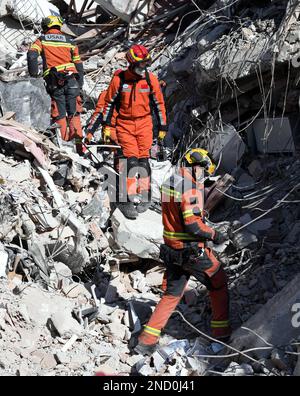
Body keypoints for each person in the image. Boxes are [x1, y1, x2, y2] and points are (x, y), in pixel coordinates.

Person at [135, 148, 231, 355]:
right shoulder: (190, 187)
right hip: (191, 251)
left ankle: (146, 341)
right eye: (204, 172)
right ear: (197, 166)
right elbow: (193, 226)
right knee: (219, 282)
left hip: (171, 248)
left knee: (171, 295)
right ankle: (222, 334)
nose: (204, 177)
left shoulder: (171, 181)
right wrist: (216, 235)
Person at [102, 44, 168, 219]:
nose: (143, 68)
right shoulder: (119, 80)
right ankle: (126, 200)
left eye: (145, 64)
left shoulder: (150, 79)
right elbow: (108, 104)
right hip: (125, 125)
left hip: (145, 124)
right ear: (131, 64)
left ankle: (145, 195)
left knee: (144, 161)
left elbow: (159, 105)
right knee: (129, 162)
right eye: (140, 65)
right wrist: (107, 126)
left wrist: (162, 127)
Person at [27, 15, 84, 154]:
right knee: (74, 113)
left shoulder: (42, 39)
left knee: (60, 114)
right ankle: (79, 147)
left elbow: (31, 55)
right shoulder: (70, 41)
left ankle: (64, 147)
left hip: (55, 82)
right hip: (72, 81)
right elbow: (78, 63)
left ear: (46, 26)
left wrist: (34, 75)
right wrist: (80, 83)